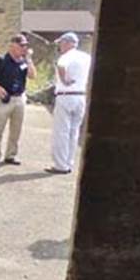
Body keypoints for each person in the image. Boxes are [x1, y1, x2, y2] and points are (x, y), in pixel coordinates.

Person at [0, 32, 36, 165]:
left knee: (16, 130)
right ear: (12, 46)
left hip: (19, 99)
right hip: (4, 99)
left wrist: (29, 59)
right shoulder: (0, 60)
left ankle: (10, 155)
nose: (24, 48)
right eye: (21, 46)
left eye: (25, 46)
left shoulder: (24, 61)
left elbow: (32, 76)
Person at [47, 32, 91, 174]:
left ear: (68, 43)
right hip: (81, 95)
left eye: (61, 43)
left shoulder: (66, 56)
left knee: (62, 131)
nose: (60, 46)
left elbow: (61, 66)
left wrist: (65, 80)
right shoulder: (86, 57)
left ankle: (60, 165)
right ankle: (69, 162)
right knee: (74, 131)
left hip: (66, 95)